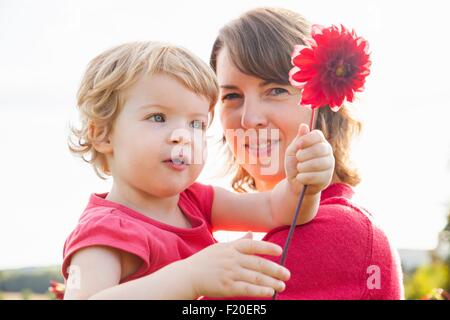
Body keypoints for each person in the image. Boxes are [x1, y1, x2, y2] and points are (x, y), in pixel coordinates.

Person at [62, 41, 335, 299]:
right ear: (103, 135)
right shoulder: (103, 232)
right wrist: (190, 278)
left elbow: (277, 210)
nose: (183, 136)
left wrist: (302, 184)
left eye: (197, 124)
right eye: (158, 117)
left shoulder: (194, 201)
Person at [209, 7, 404, 299]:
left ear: (322, 99)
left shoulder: (338, 231)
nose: (249, 119)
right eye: (232, 96)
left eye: (276, 90)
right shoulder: (265, 233)